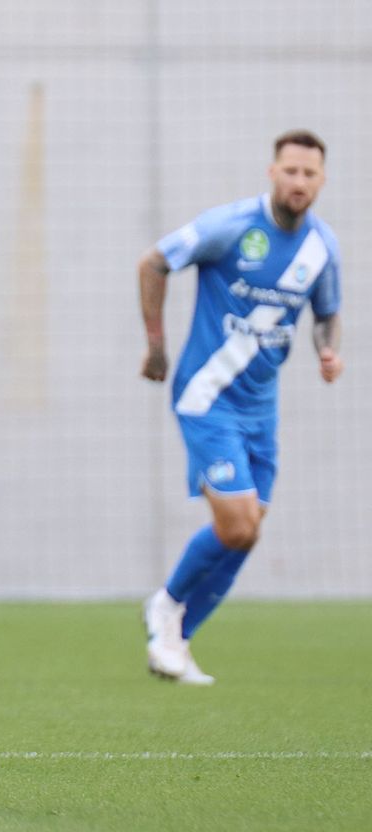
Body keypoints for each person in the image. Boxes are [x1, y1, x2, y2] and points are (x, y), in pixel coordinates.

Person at [138, 129, 342, 685]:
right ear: (273, 172)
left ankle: (177, 639)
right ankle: (166, 604)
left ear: (322, 181)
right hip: (207, 396)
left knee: (248, 531)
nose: (299, 181)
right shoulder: (230, 227)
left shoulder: (321, 248)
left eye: (310, 173)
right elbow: (153, 262)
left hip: (261, 409)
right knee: (235, 526)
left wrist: (327, 351)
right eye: (290, 170)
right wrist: (156, 345)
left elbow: (326, 315)